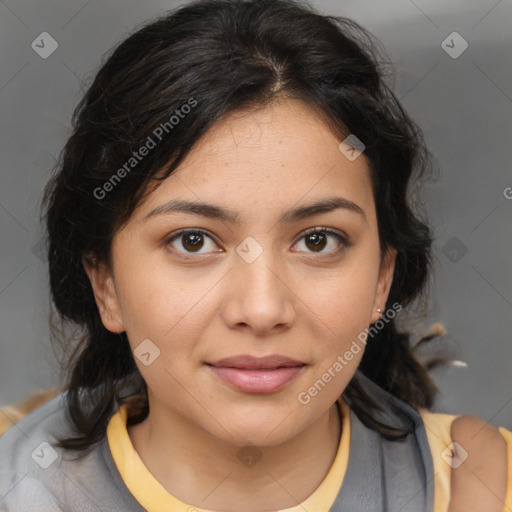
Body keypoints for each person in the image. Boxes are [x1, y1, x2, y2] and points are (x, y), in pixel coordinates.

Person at [0, 0, 510, 510]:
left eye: (317, 240)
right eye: (193, 241)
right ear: (105, 283)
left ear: (382, 277)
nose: (262, 310)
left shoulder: (483, 486)